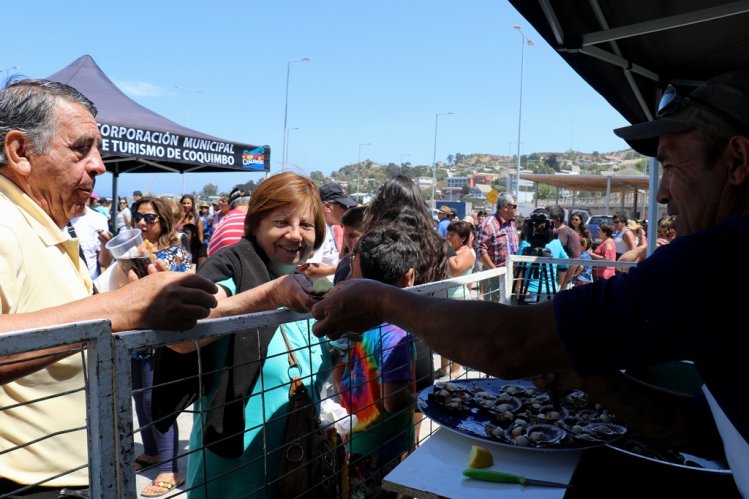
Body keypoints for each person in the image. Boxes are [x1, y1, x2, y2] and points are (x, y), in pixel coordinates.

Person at [309, 69, 749, 496]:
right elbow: (703, 429)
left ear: (738, 161)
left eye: (672, 166)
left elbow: (509, 344)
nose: (662, 192)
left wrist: (383, 301)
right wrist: (590, 377)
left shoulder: (722, 256)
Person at [0, 79, 217, 496]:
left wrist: (117, 292)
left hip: (81, 474)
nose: (99, 165)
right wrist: (119, 308)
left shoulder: (40, 222)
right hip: (34, 487)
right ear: (20, 152)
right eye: (82, 149)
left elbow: (51, 317)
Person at [165, 172, 330, 498]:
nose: (295, 235)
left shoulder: (305, 288)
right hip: (234, 473)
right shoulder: (232, 267)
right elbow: (182, 335)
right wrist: (271, 295)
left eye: (306, 225)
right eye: (282, 221)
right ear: (255, 225)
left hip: (292, 465)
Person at [337, 226, 417, 498]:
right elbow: (392, 401)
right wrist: (425, 399)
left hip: (354, 436)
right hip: (383, 447)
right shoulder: (397, 333)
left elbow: (339, 371)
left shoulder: (354, 320)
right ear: (409, 277)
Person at [128, 196, 191, 497]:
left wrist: (155, 266)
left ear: (163, 221)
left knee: (158, 400)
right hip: (136, 334)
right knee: (139, 397)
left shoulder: (177, 253)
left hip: (161, 338)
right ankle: (151, 451)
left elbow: (179, 287)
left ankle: (170, 468)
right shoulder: (134, 251)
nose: (141, 223)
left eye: (149, 218)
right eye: (137, 216)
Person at [438, 219, 475, 377]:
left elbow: (456, 270)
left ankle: (455, 370)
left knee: (455, 338)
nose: (448, 236)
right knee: (442, 337)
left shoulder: (467, 252)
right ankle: (444, 369)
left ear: (463, 238)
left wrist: (445, 249)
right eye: (448, 233)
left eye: (453, 234)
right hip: (445, 299)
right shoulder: (453, 250)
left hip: (458, 300)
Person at [298, 183, 357, 283]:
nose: (347, 210)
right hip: (315, 293)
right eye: (343, 206)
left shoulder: (328, 229)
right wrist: (346, 265)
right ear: (328, 207)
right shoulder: (319, 230)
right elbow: (308, 269)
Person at [475, 192, 519, 301]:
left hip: (510, 274)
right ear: (505, 207)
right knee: (494, 309)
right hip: (494, 276)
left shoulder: (512, 223)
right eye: (514, 207)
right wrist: (496, 272)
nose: (516, 210)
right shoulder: (489, 224)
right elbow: (480, 250)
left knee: (507, 306)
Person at [70, 203, 113, 280]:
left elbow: (104, 263)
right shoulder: (51, 217)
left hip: (91, 284)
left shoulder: (99, 219)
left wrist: (105, 247)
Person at [207, 187, 249, 256]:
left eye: (223, 201)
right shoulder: (251, 222)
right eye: (220, 201)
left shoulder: (224, 222)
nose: (220, 203)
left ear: (230, 204)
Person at [334, 205, 366, 284]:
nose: (347, 241)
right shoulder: (344, 262)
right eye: (345, 235)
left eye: (352, 236)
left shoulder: (378, 268)